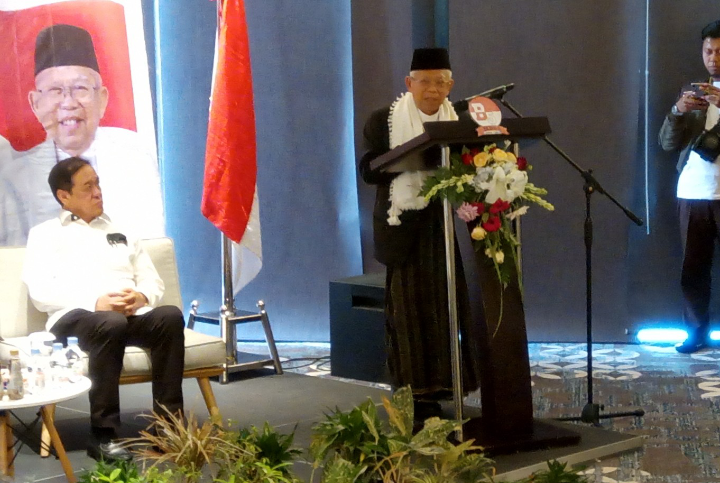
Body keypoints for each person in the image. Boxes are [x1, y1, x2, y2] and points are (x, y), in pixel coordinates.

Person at [22, 157, 185, 461]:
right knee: (109, 322)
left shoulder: (121, 230)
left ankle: (168, 427)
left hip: (124, 316)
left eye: (98, 183)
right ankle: (103, 434)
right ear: (64, 196)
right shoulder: (44, 235)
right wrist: (95, 302)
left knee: (169, 317)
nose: (98, 192)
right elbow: (41, 292)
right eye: (88, 187)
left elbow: (152, 280)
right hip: (73, 319)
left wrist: (140, 296)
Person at [358, 48, 482, 422]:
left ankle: (446, 385)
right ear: (409, 83)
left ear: (451, 85)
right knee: (409, 314)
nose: (432, 89)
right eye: (424, 81)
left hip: (441, 225)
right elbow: (368, 169)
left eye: (440, 82)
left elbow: (470, 160)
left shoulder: (458, 120)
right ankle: (412, 394)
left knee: (445, 307)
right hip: (402, 225)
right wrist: (405, 158)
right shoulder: (384, 120)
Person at [0, 23, 164, 246]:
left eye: (80, 88)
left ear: (102, 99)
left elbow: (153, 242)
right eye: (56, 91)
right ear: (35, 103)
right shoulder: (15, 177)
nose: (68, 103)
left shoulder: (138, 159)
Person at [660, 20, 720, 354]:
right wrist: (677, 111)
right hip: (692, 192)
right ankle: (695, 332)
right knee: (693, 269)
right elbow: (667, 145)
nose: (713, 58)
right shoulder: (694, 91)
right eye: (708, 51)